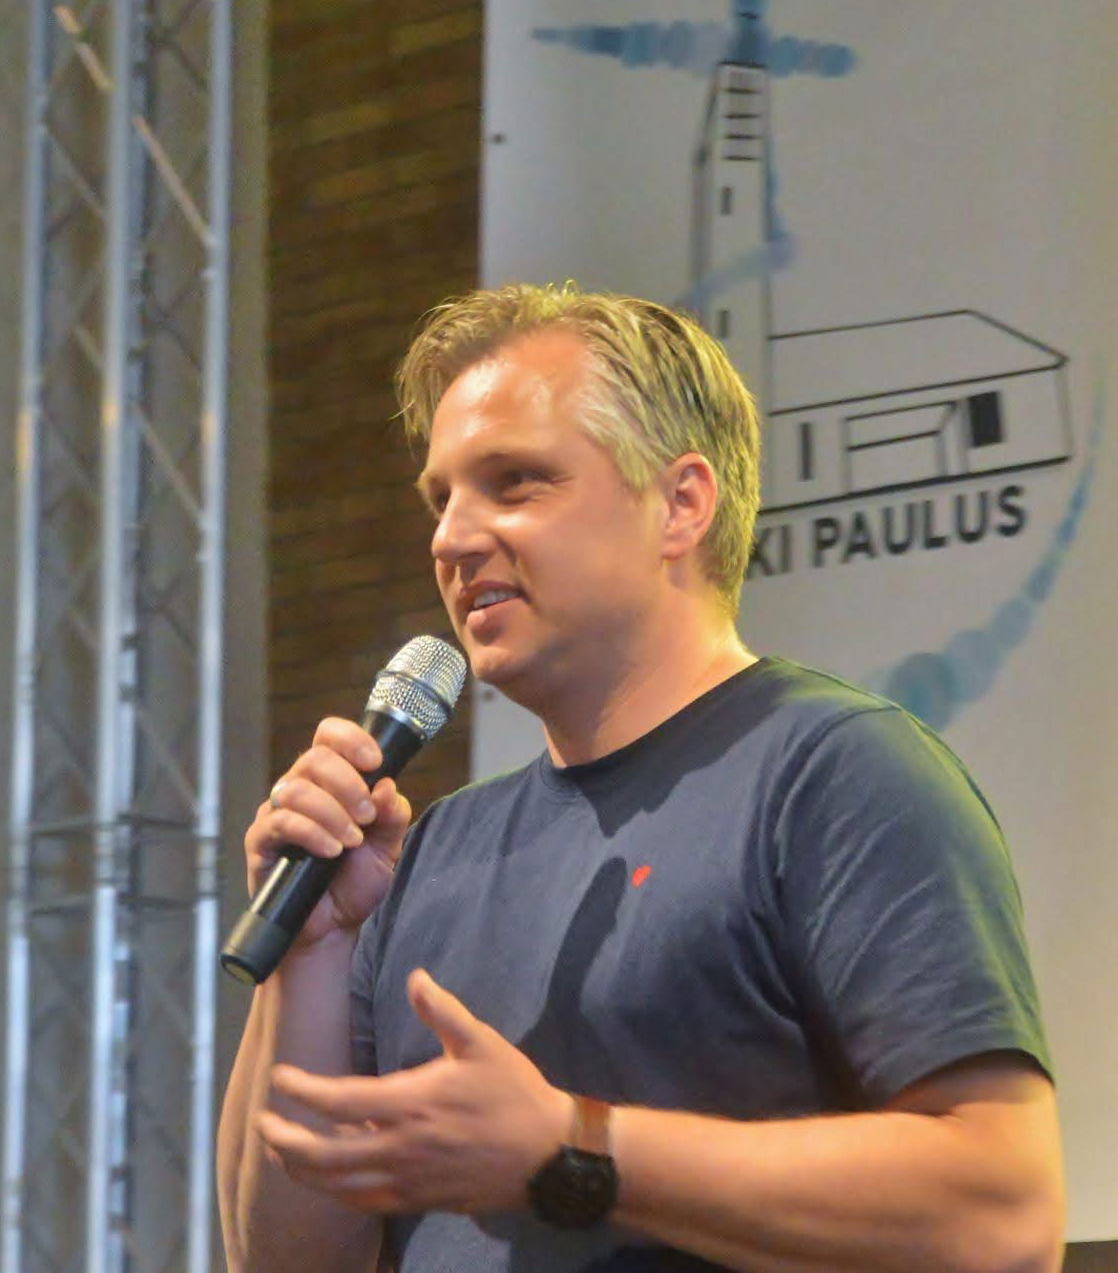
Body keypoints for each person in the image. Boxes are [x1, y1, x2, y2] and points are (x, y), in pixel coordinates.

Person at [217, 284, 1064, 1272]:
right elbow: (288, 1262)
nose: (450, 538)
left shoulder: (836, 775)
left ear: (681, 505)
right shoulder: (430, 852)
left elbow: (1002, 1218)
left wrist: (571, 1151)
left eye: (514, 483)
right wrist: (314, 947)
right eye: (441, 499)